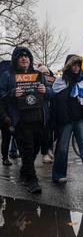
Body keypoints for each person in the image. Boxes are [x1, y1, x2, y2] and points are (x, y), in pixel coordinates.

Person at [0, 46, 53, 193]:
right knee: (27, 150)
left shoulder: (39, 75)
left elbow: (51, 92)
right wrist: (12, 93)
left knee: (35, 149)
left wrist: (46, 90)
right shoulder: (8, 75)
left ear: (30, 59)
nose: (24, 58)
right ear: (16, 59)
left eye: (27, 56)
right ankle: (32, 180)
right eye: (21, 56)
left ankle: (25, 170)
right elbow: (1, 94)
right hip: (21, 121)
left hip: (39, 119)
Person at [51, 54, 83, 183]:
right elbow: (55, 102)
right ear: (68, 66)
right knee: (62, 148)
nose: (76, 67)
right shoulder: (60, 82)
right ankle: (59, 174)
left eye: (79, 65)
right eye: (74, 64)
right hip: (65, 120)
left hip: (80, 119)